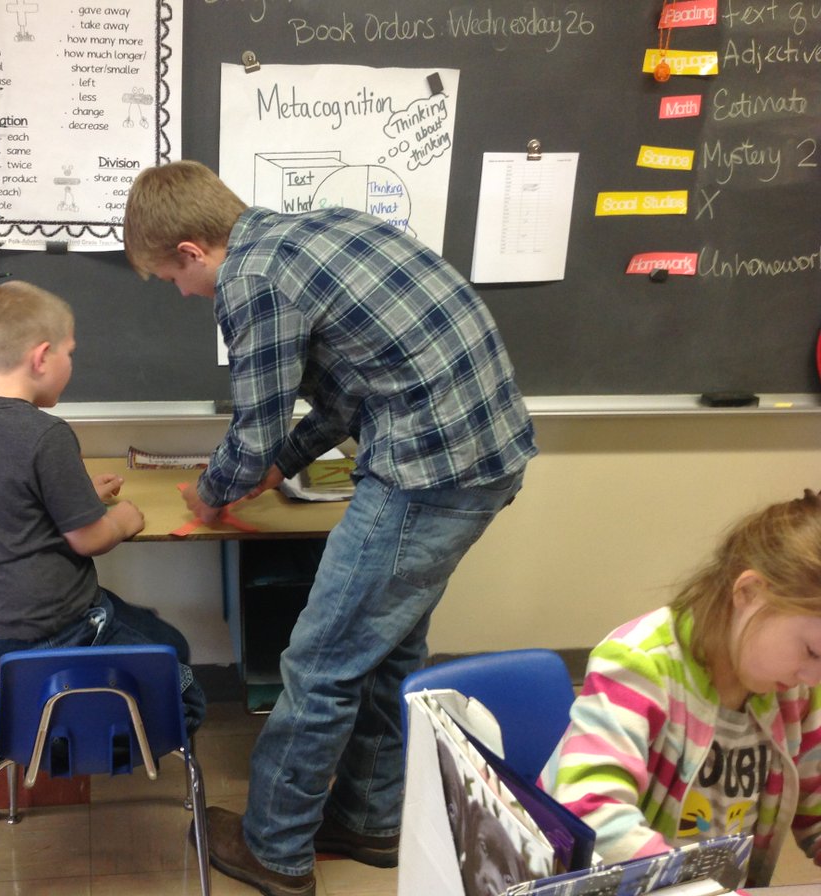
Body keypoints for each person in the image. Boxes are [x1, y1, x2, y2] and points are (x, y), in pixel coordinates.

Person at [123, 160, 537, 896]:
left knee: (319, 665)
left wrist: (215, 494)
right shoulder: (318, 232)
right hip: (485, 458)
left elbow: (252, 431)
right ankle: (370, 819)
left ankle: (275, 851)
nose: (180, 293)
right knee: (383, 649)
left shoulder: (252, 278)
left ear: (191, 251)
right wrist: (279, 467)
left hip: (427, 474)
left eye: (170, 279)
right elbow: (352, 393)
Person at [0, 279, 205, 734]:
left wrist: (77, 490)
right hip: (63, 625)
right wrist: (121, 521)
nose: (71, 363)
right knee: (179, 668)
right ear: (42, 357)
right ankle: (117, 744)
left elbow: (10, 495)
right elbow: (89, 539)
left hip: (2, 625)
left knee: (150, 630)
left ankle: (66, 733)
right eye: (70, 353)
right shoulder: (47, 434)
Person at [542, 490, 821, 888]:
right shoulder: (638, 663)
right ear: (749, 594)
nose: (814, 677)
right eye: (810, 650)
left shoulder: (797, 689)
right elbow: (590, 811)